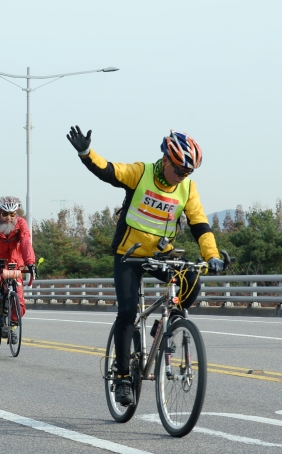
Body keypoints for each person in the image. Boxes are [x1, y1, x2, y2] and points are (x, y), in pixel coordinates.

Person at [67, 126, 223, 406]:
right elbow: (110, 171)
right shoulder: (141, 173)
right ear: (165, 160)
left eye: (188, 172)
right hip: (129, 254)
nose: (182, 176)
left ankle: (167, 326)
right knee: (127, 313)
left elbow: (200, 224)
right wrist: (85, 153)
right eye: (179, 170)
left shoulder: (187, 188)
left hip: (161, 254)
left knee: (191, 277)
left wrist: (211, 254)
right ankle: (124, 377)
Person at [0, 196, 36, 326]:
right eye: (5, 214)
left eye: (12, 214)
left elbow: (26, 243)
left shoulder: (21, 223)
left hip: (15, 265)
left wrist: (30, 263)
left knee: (19, 298)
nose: (9, 218)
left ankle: (14, 327)